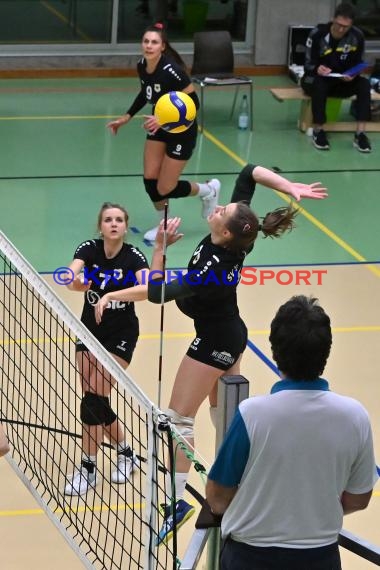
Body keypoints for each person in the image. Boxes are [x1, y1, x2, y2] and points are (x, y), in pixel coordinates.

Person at [144, 164, 328, 546]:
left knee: (178, 418)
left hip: (215, 339)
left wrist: (159, 250)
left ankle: (177, 501)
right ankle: (239, 485)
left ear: (224, 233)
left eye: (220, 213)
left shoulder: (212, 271)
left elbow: (157, 294)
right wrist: (287, 185)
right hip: (228, 333)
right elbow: (249, 172)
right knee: (224, 416)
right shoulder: (239, 231)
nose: (216, 209)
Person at [206, 295, 378, 570]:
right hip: (319, 558)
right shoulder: (354, 416)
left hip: (249, 557)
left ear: (275, 350)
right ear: (326, 350)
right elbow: (359, 498)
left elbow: (217, 498)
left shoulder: (253, 414)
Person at [63, 202, 151, 496]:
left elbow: (147, 289)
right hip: (88, 332)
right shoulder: (89, 248)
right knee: (93, 400)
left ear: (126, 227)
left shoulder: (134, 257)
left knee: (93, 399)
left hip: (120, 336)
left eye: (119, 220)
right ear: (100, 226)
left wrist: (110, 294)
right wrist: (71, 279)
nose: (113, 224)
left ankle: (88, 468)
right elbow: (73, 276)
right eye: (108, 220)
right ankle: (127, 453)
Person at [107, 23, 220, 242]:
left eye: (154, 42)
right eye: (146, 41)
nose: (149, 46)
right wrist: (126, 117)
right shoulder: (142, 65)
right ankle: (164, 224)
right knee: (150, 179)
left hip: (181, 131)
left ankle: (208, 191)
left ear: (163, 46)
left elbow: (194, 103)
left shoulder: (173, 72)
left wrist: (165, 119)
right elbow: (145, 92)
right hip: (158, 125)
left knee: (165, 186)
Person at [301, 2, 372, 152]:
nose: (340, 29)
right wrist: (317, 68)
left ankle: (360, 134)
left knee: (364, 84)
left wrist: (352, 74)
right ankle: (318, 130)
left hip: (342, 81)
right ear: (333, 19)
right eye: (338, 24)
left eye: (345, 27)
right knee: (319, 84)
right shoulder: (317, 34)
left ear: (351, 25)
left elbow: (359, 63)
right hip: (316, 79)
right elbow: (307, 64)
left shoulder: (357, 36)